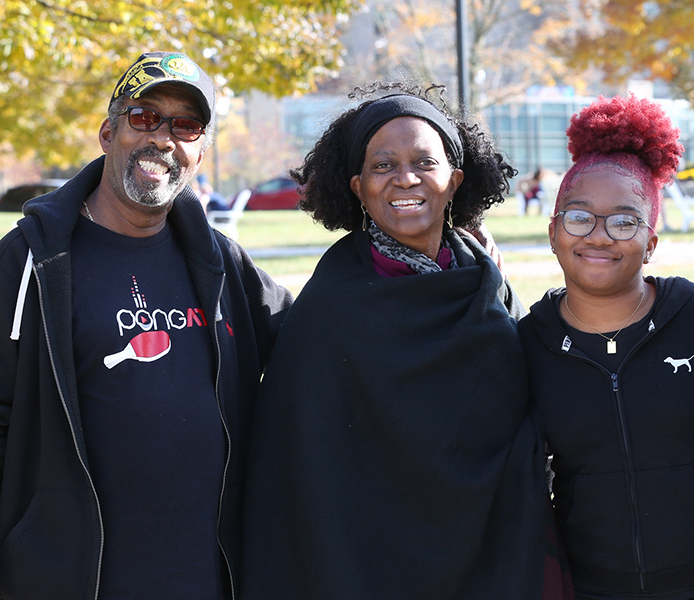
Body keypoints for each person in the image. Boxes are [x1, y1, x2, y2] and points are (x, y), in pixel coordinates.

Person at [0, 51, 292, 600]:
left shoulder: (223, 264)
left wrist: (437, 258)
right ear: (108, 131)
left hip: (206, 581)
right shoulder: (26, 265)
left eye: (186, 125)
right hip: (63, 583)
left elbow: (318, 341)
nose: (163, 138)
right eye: (144, 116)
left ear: (201, 151)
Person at [239, 83, 560, 599]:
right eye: (382, 166)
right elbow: (300, 462)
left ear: (454, 180)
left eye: (423, 163)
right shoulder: (332, 305)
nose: (405, 178)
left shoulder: (487, 281)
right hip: (370, 560)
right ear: (359, 186)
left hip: (495, 543)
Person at [519, 94, 694, 599]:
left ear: (651, 241)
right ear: (553, 232)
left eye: (624, 221)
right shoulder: (529, 344)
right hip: (595, 586)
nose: (598, 236)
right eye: (578, 218)